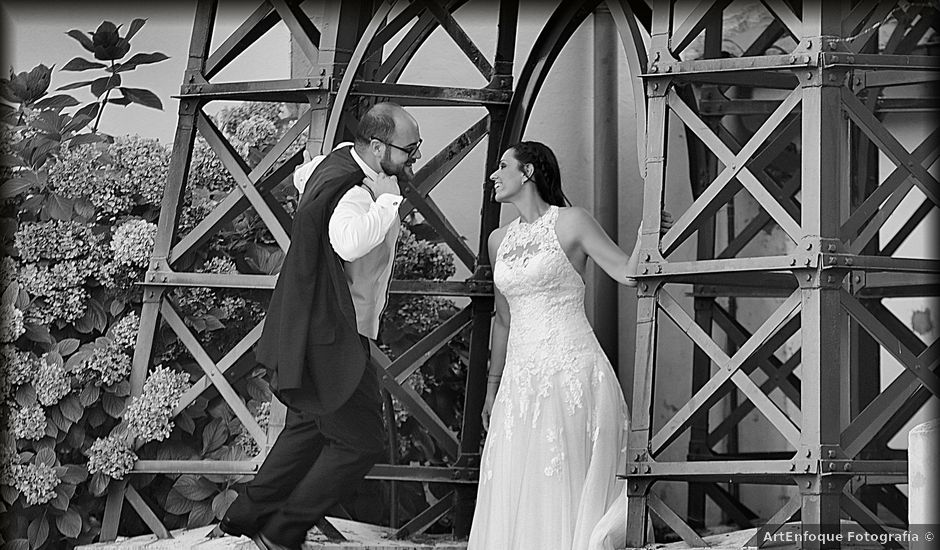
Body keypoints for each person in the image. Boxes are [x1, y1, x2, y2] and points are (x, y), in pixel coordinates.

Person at [215, 102, 422, 550]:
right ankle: (283, 530)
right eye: (410, 149)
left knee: (309, 426)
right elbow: (348, 242)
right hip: (336, 334)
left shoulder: (339, 162)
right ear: (377, 145)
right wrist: (387, 200)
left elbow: (304, 175)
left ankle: (243, 515)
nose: (415, 158)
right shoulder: (356, 189)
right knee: (362, 443)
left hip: (316, 324)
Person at [467, 141, 671, 550]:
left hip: (572, 373)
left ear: (528, 172)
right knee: (516, 481)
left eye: (502, 165)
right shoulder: (496, 240)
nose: (493, 174)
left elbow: (627, 273)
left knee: (564, 476)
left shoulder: (573, 222)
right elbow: (503, 319)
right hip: (519, 384)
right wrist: (491, 388)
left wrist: (648, 236)